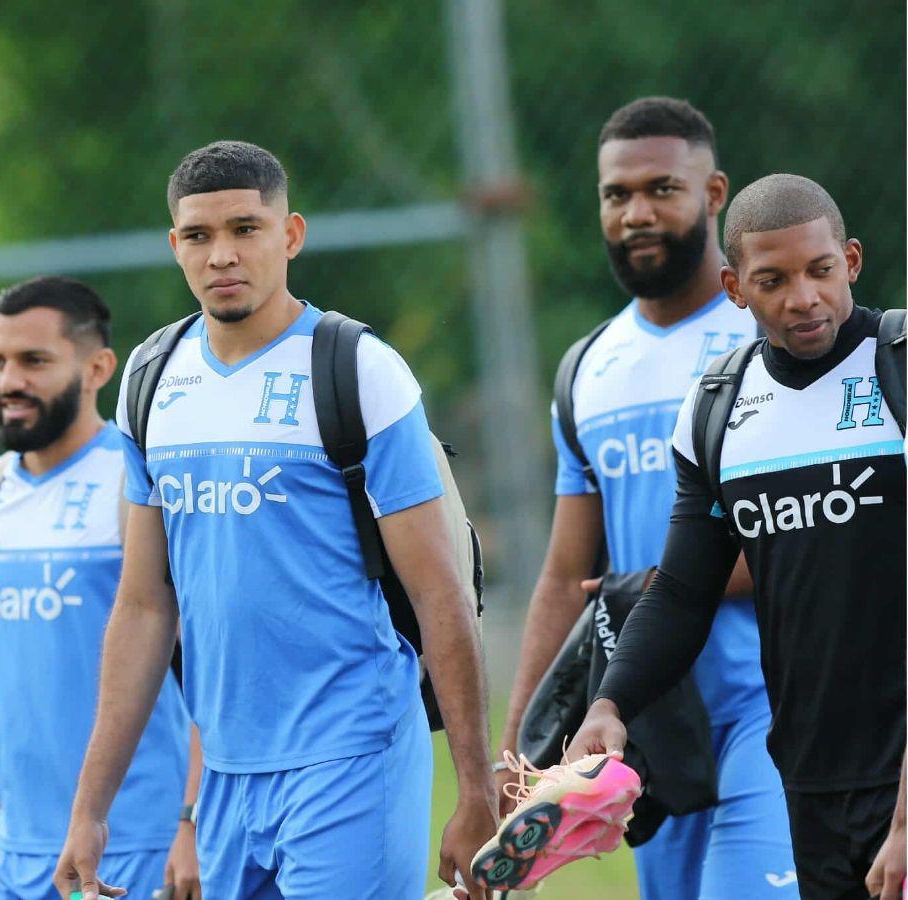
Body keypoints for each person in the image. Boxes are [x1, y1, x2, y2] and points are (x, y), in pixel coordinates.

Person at [52, 140, 496, 899]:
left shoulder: (359, 370)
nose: (222, 255)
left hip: (352, 753)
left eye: (245, 229)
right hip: (227, 770)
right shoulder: (151, 379)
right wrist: (91, 811)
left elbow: (440, 596)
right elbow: (144, 603)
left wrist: (476, 789)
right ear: (175, 247)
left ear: (289, 236)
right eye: (199, 236)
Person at [567, 173, 906, 900]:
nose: (804, 297)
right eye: (773, 279)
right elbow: (685, 589)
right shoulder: (718, 409)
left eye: (820, 271)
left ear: (850, 260)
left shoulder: (898, 370)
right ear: (734, 287)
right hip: (810, 778)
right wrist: (611, 705)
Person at [493, 98, 795, 899]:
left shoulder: (771, 343)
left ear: (715, 192)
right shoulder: (588, 367)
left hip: (778, 700)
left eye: (663, 188)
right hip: (649, 726)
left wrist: (666, 587)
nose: (636, 213)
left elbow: (817, 537)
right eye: (615, 194)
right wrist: (518, 751)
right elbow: (564, 575)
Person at [0, 276, 195, 900]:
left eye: (34, 361)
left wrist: (189, 823)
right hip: (16, 852)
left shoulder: (137, 481)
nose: (10, 382)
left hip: (131, 849)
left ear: (97, 368)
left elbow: (206, 668)